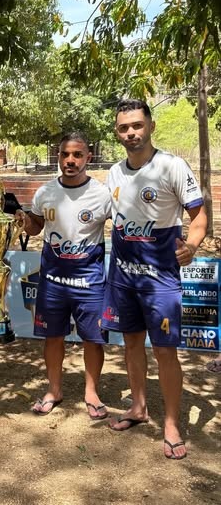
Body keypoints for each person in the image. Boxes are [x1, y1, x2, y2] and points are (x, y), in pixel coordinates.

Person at [102, 99, 207, 460]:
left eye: (137, 125)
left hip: (160, 279)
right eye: (123, 127)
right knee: (131, 343)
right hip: (123, 276)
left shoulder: (172, 166)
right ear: (117, 133)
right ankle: (138, 407)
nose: (131, 132)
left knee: (164, 350)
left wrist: (191, 245)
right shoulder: (114, 173)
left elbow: (199, 217)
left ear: (151, 126)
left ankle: (172, 424)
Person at [23, 132, 111, 420]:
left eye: (77, 155)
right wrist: (23, 220)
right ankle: (54, 390)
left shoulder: (102, 194)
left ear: (88, 157)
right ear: (58, 156)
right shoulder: (45, 192)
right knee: (53, 337)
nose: (70, 160)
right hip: (53, 282)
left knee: (93, 339)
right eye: (65, 154)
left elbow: (123, 226)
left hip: (90, 282)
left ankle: (91, 392)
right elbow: (35, 228)